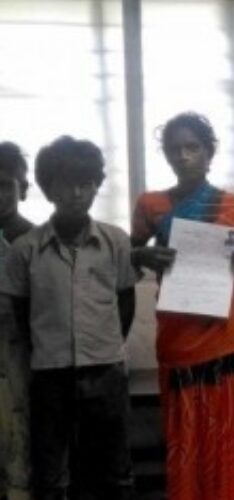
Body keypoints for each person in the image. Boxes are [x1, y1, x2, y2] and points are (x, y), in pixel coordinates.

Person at [130, 113, 234, 500]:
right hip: (180, 338)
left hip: (232, 338)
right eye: (174, 149)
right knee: (191, 443)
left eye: (192, 147)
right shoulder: (151, 205)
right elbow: (127, 260)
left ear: (209, 153)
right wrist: (141, 257)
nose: (183, 156)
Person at [0, 136, 137, 500]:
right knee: (52, 474)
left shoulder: (116, 242)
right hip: (50, 375)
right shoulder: (25, 249)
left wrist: (105, 346)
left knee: (115, 472)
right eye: (65, 184)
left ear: (96, 186)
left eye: (85, 184)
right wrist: (48, 349)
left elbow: (125, 303)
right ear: (49, 188)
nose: (77, 194)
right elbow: (21, 312)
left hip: (106, 371)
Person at [0, 142, 34, 500]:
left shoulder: (37, 241)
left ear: (22, 189)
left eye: (4, 185)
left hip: (24, 359)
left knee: (21, 453)